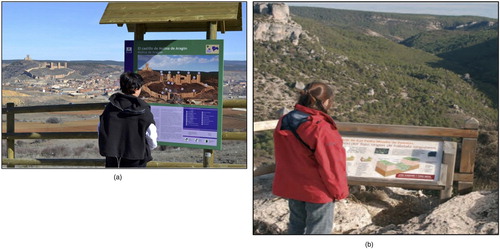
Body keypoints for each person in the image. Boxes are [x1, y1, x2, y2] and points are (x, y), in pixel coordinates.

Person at [273, 82, 349, 234]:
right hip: (317, 190)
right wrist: (340, 192)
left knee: (296, 226)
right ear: (325, 101)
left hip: (293, 186)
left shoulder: (285, 120)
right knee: (318, 230)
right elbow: (332, 164)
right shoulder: (320, 127)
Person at [98, 72, 157, 168]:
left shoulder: (111, 106)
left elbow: (101, 129)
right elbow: (152, 137)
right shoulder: (143, 109)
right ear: (137, 88)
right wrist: (144, 148)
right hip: (136, 158)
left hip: (113, 158)